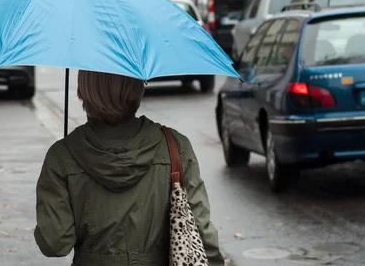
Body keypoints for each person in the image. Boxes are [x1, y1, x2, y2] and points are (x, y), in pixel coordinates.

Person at [34, 70, 224, 266]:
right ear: (138, 88)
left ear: (82, 91)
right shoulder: (175, 146)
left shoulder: (62, 155)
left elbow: (55, 243)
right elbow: (200, 230)